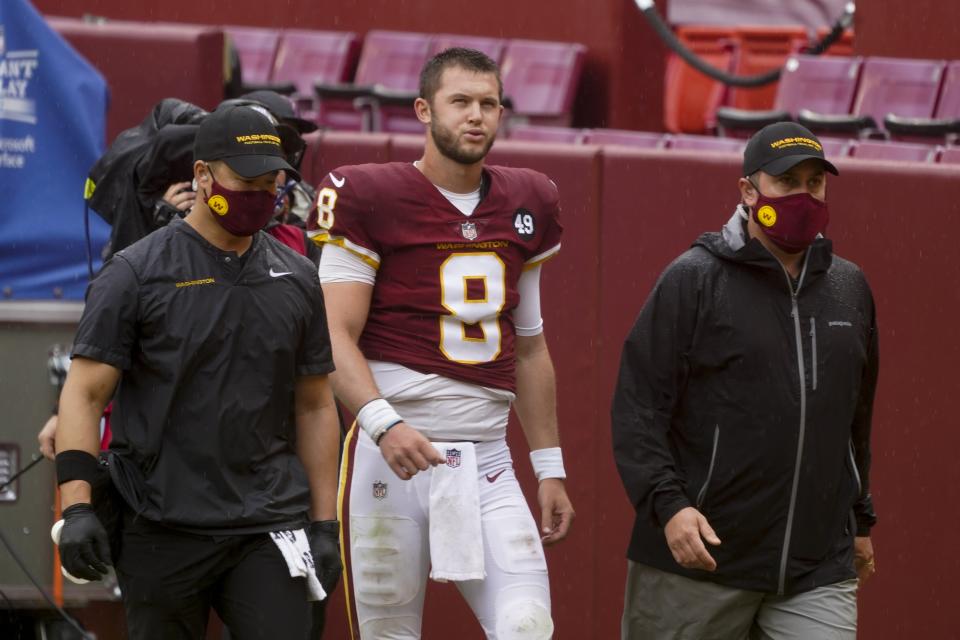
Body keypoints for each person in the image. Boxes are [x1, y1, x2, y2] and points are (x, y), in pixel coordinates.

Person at [309, 48, 575, 639]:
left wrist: (549, 467)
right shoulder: (369, 194)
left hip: (488, 459)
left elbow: (529, 347)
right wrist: (383, 422)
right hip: (390, 457)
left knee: (529, 627)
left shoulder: (528, 200)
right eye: (461, 102)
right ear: (425, 110)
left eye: (488, 104)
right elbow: (331, 334)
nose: (476, 116)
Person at [53, 103, 342, 639]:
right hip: (159, 523)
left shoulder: (298, 277)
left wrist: (325, 526)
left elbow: (315, 403)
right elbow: (84, 395)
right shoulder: (135, 273)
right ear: (202, 173)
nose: (261, 192)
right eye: (246, 178)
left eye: (272, 180)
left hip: (268, 523)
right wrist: (77, 508)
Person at [611, 121, 879, 639]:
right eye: (787, 181)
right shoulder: (693, 279)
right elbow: (637, 407)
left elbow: (856, 416)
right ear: (748, 191)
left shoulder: (850, 287)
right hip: (701, 559)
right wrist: (669, 507)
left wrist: (859, 521)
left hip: (816, 566)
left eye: (815, 182)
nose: (804, 195)